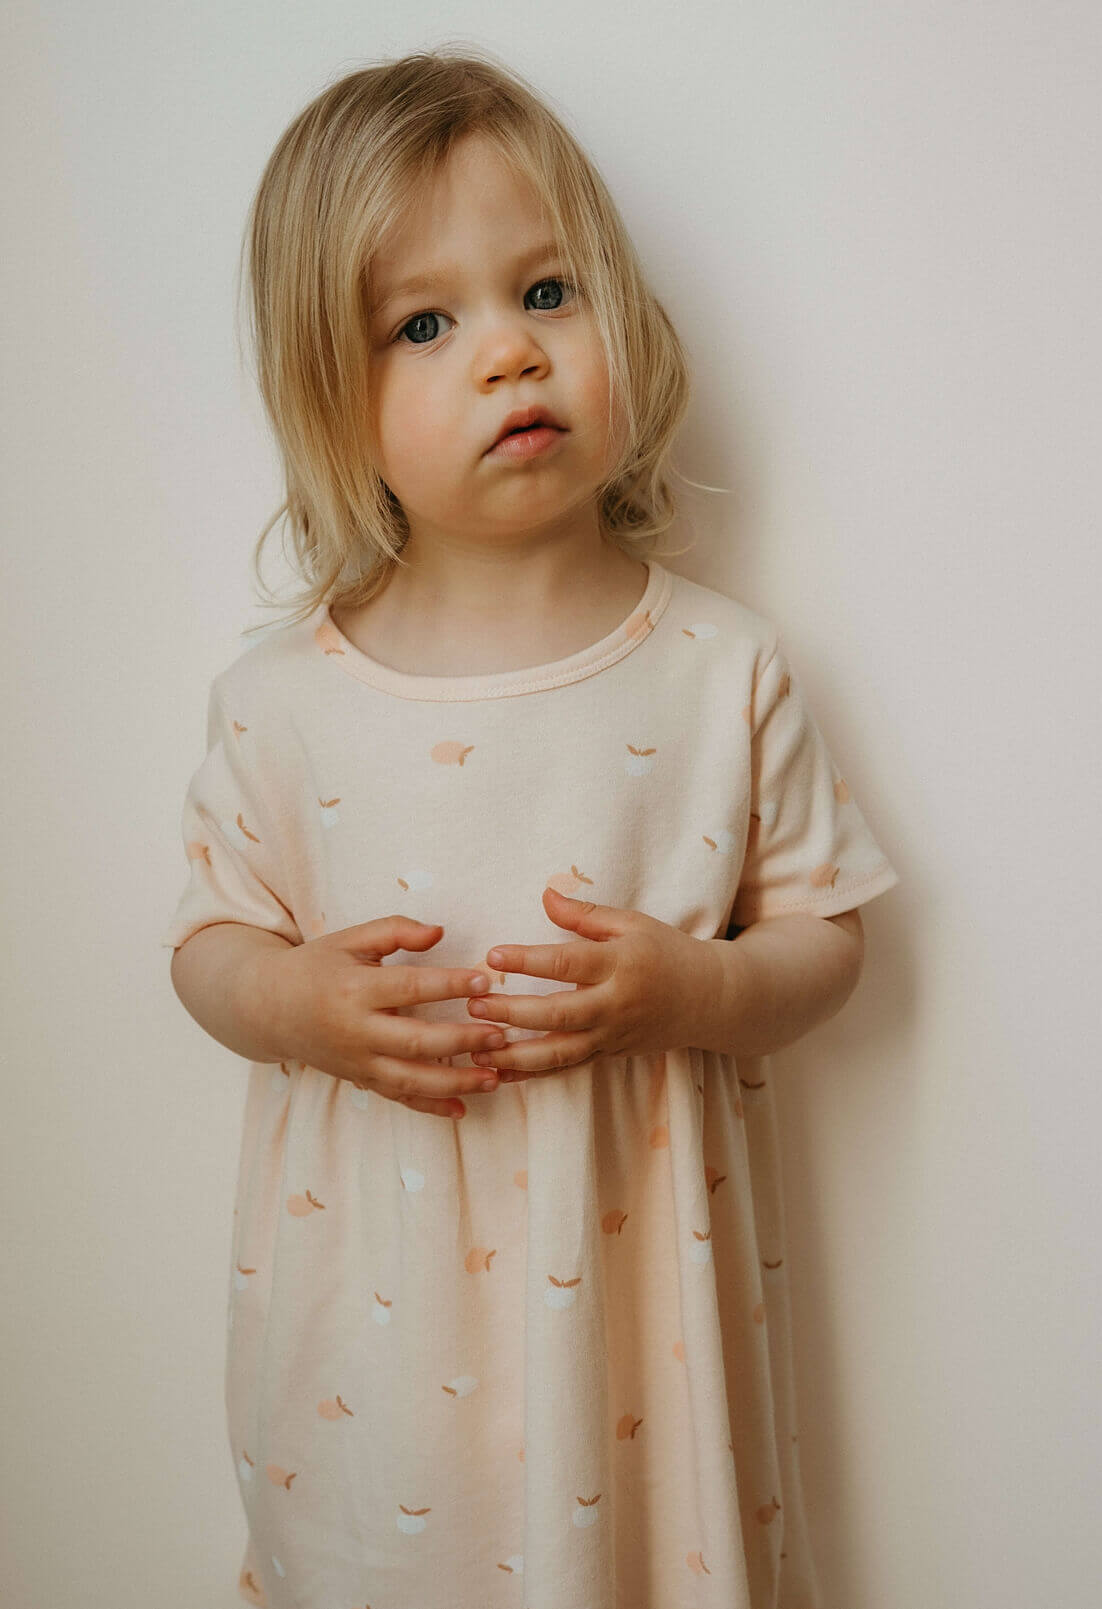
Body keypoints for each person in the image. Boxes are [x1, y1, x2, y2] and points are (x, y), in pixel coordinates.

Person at [163, 45, 900, 1609]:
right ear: (329, 394)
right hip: (378, 1341)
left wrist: (697, 990)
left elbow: (827, 939)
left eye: (547, 292)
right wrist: (291, 1001)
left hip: (643, 1350)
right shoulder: (278, 706)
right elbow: (205, 943)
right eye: (425, 324)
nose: (508, 355)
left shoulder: (721, 669)